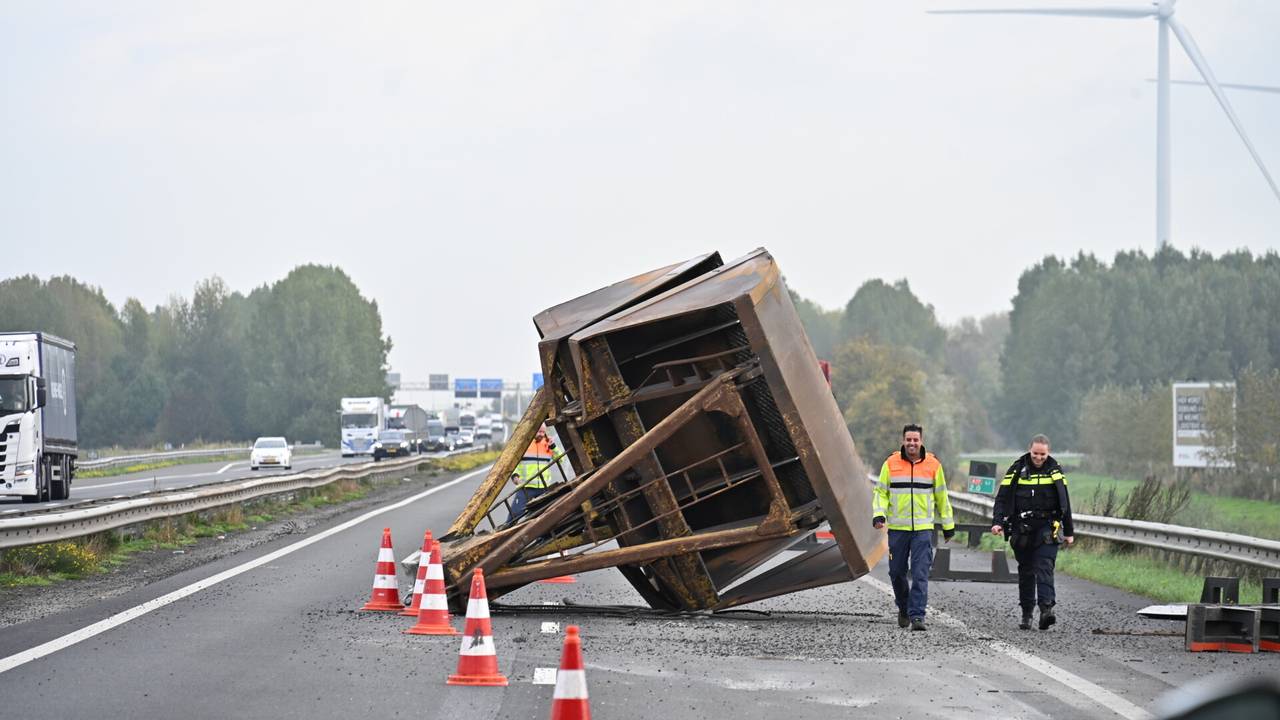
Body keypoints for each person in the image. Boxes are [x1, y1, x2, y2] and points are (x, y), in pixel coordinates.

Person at [872, 423, 956, 631]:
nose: (912, 443)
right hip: (898, 530)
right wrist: (879, 514)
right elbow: (881, 493)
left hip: (923, 530)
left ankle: (917, 616)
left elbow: (942, 496)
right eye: (908, 440)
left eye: (915, 440)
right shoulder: (890, 464)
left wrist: (948, 525)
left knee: (920, 573)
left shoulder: (933, 465)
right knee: (896, 572)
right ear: (903, 441)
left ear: (921, 441)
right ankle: (903, 607)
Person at [991, 434, 1075, 630]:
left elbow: (1065, 502)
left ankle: (1046, 610)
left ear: (1048, 452)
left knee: (1044, 566)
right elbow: (1002, 498)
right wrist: (997, 522)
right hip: (1022, 528)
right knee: (1027, 570)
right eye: (1035, 453)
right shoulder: (1017, 469)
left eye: (1043, 454)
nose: (1039, 458)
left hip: (1047, 527)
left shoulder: (1055, 470)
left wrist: (1069, 531)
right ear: (1030, 450)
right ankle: (1027, 612)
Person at [508, 427, 558, 521]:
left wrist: (553, 446)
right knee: (514, 515)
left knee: (545, 516)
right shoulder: (524, 444)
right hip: (526, 487)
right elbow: (514, 463)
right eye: (539, 431)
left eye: (543, 432)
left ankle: (543, 535)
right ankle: (504, 534)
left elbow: (560, 459)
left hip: (543, 487)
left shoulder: (548, 444)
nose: (541, 434)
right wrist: (514, 475)